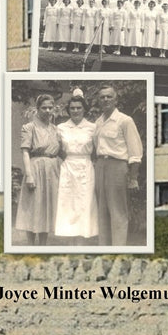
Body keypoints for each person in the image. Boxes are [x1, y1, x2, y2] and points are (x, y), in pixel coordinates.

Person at [93, 85, 143, 247]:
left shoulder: (125, 121)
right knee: (102, 211)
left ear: (116, 99)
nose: (106, 100)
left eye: (109, 97)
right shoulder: (98, 122)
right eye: (102, 97)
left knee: (118, 211)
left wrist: (133, 178)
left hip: (118, 167)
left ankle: (119, 248)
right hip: (100, 166)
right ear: (98, 101)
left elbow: (135, 152)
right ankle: (104, 249)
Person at [15, 94, 61, 246]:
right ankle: (30, 246)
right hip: (35, 168)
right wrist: (29, 175)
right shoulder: (29, 127)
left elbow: (62, 151)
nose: (47, 111)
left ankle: (43, 246)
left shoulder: (55, 129)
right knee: (33, 206)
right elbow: (25, 152)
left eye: (50, 107)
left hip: (51, 170)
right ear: (37, 108)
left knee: (46, 207)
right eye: (44, 108)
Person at [54, 91, 98, 242]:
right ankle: (69, 244)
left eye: (78, 107)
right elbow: (56, 148)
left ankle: (81, 243)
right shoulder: (61, 128)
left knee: (84, 204)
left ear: (84, 109)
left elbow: (98, 149)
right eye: (72, 108)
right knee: (68, 204)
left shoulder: (92, 127)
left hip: (86, 167)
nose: (75, 111)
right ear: (68, 110)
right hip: (67, 168)